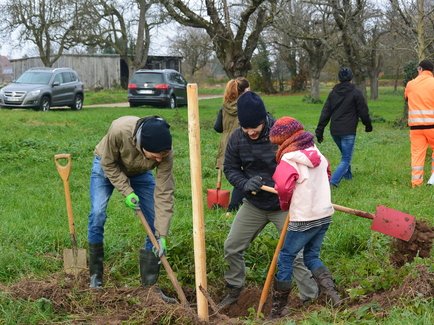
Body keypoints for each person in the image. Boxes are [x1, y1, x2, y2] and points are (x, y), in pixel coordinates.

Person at [219, 91, 318, 309]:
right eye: (246, 127)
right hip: (254, 204)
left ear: (264, 119)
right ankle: (234, 289)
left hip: (284, 206)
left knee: (297, 254)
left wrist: (286, 186)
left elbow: (304, 165)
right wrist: (245, 184)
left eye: (255, 126)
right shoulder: (237, 138)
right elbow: (231, 168)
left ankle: (310, 299)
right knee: (232, 246)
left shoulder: (281, 136)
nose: (250, 131)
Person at [87, 115, 175, 301]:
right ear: (142, 146)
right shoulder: (119, 130)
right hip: (107, 167)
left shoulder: (165, 152)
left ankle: (149, 289)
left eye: (163, 155)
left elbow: (164, 193)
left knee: (153, 222)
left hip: (139, 173)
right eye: (156, 155)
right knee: (97, 214)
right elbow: (108, 164)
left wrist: (162, 234)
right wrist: (127, 191)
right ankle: (96, 277)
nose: (159, 159)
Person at [269, 116, 342, 318]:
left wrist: (285, 204)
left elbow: (283, 187)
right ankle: (333, 296)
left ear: (283, 140)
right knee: (311, 256)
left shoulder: (288, 158)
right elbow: (327, 175)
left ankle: (278, 309)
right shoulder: (316, 152)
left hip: (304, 217)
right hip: (324, 214)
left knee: (285, 258)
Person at [315, 67, 372, 187]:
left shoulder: (333, 93)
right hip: (348, 131)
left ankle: (348, 177)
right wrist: (368, 125)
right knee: (346, 159)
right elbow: (363, 111)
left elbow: (325, 112)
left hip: (335, 131)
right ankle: (332, 183)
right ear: (351, 77)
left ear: (339, 78)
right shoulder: (356, 93)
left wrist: (319, 131)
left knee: (345, 155)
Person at [214, 77, 250, 212]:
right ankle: (233, 207)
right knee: (243, 173)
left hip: (226, 143)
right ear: (245, 90)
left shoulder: (225, 106)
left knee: (236, 172)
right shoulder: (247, 106)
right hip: (241, 142)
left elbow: (217, 127)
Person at [404, 59, 434, 187]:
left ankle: (416, 183)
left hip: (415, 128)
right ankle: (433, 180)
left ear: (420, 69)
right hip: (432, 125)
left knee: (417, 154)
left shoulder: (410, 84)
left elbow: (406, 98)